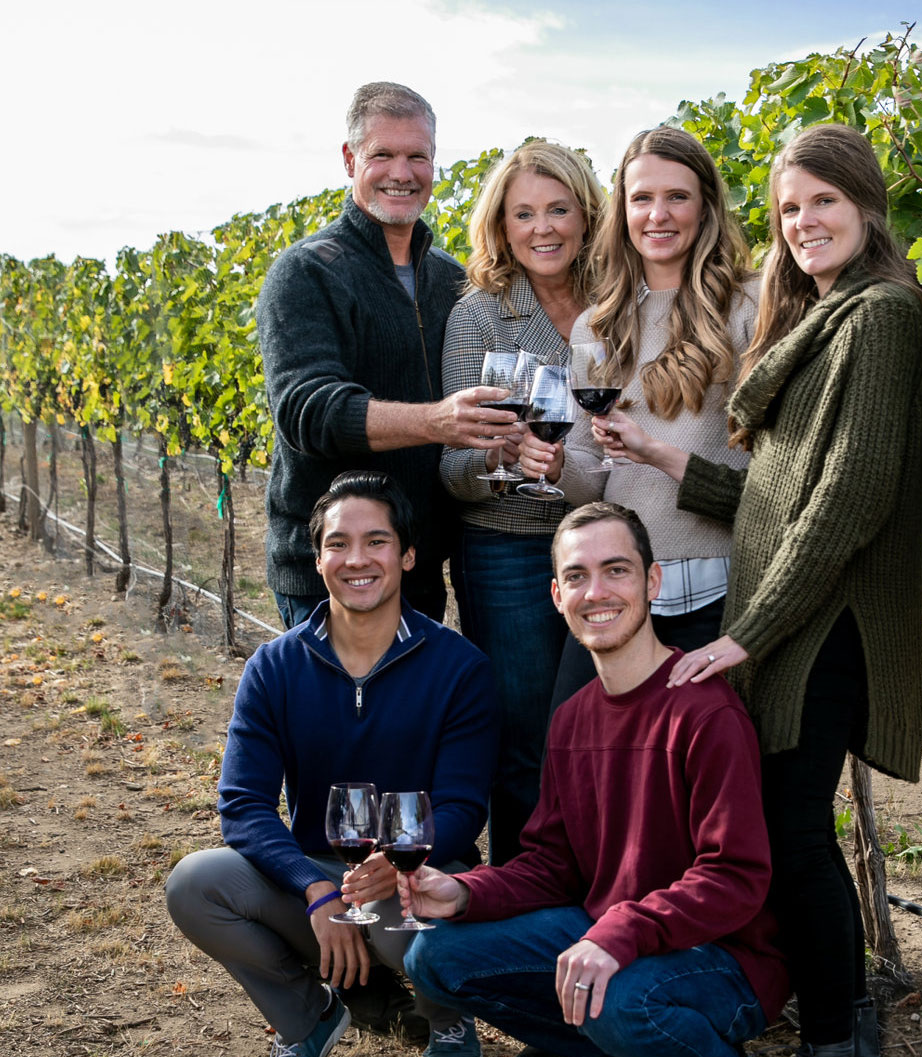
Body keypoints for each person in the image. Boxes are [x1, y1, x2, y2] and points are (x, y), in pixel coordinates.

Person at [597, 123, 922, 1057]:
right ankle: (852, 1053)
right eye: (790, 211)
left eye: (822, 205)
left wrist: (745, 635)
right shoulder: (825, 321)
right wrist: (666, 457)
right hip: (798, 621)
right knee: (793, 842)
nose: (803, 226)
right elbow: (775, 494)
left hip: (823, 630)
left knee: (793, 844)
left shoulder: (880, 317)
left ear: (866, 207)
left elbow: (845, 503)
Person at [400, 502, 790, 1057]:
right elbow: (553, 863)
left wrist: (621, 932)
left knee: (615, 998)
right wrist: (463, 889)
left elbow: (735, 877)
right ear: (556, 595)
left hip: (720, 957)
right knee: (435, 956)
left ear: (653, 582)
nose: (597, 591)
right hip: (613, 932)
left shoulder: (705, 710)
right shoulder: (573, 718)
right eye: (576, 576)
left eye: (616, 570)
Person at [165, 471, 498, 1057]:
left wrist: (397, 864)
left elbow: (463, 807)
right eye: (338, 544)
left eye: (376, 541)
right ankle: (309, 1017)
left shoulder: (460, 668)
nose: (357, 560)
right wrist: (314, 889)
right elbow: (243, 806)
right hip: (318, 876)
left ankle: (446, 1017)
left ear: (407, 554)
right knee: (196, 883)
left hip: (417, 878)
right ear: (317, 559)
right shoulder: (275, 666)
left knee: (408, 910)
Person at [257, 82, 517, 628]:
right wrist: (438, 421)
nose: (402, 172)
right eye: (383, 154)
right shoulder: (306, 272)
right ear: (350, 159)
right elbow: (311, 411)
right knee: (341, 715)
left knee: (406, 715)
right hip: (330, 570)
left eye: (417, 156)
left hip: (418, 565)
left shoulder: (449, 277)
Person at [539, 126, 760, 708]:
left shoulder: (752, 306)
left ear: (706, 206)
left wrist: (654, 450)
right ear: (623, 210)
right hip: (622, 594)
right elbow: (595, 480)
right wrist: (559, 463)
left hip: (718, 595)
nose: (657, 215)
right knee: (579, 764)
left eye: (677, 197)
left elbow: (771, 470)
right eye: (641, 199)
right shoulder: (599, 326)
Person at [439, 140, 603, 866]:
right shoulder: (478, 316)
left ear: (585, 214)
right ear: (501, 227)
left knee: (608, 734)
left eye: (559, 209)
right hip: (507, 547)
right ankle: (522, 899)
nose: (543, 228)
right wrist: (500, 454)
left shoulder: (621, 299)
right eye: (524, 213)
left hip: (607, 544)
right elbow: (452, 467)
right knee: (528, 744)